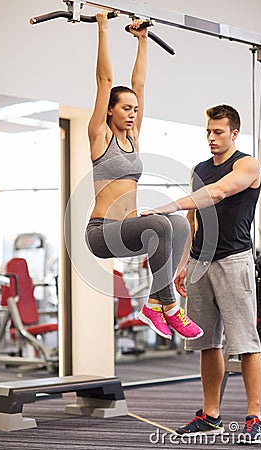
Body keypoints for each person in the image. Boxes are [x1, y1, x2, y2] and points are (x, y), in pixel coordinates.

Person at [141, 105, 261, 444]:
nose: (212, 138)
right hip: (200, 261)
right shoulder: (199, 169)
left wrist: (167, 206)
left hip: (233, 261)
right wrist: (184, 263)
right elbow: (195, 219)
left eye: (219, 132)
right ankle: (210, 415)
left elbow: (219, 192)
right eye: (208, 132)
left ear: (234, 134)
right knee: (205, 342)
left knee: (244, 343)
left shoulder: (247, 164)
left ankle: (255, 418)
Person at [85, 11, 203, 342]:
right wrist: (103, 28)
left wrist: (142, 40)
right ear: (110, 110)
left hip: (128, 230)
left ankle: (155, 302)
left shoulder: (134, 137)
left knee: (178, 223)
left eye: (135, 109)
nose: (133, 113)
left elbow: (138, 84)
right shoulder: (99, 136)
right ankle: (167, 304)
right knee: (162, 224)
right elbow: (105, 81)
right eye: (125, 108)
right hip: (101, 232)